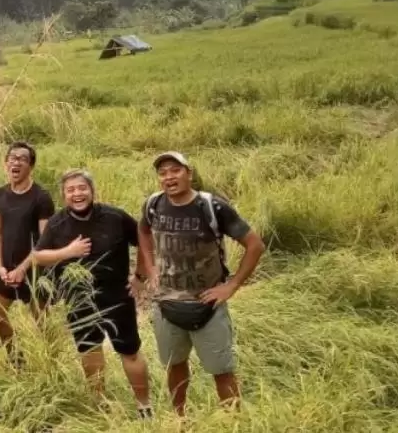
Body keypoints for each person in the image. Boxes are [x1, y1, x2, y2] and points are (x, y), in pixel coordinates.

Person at [137, 151, 265, 417]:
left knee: (222, 370)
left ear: (189, 173)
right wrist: (149, 269)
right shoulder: (153, 204)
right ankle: (180, 419)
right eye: (163, 173)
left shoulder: (212, 207)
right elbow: (144, 231)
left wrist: (231, 286)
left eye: (175, 170)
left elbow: (255, 245)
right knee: (175, 365)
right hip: (166, 303)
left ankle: (233, 421)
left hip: (207, 304)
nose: (169, 177)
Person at [33, 169, 152, 419]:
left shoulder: (114, 217)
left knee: (130, 351)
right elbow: (39, 256)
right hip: (78, 299)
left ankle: (144, 406)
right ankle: (100, 405)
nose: (77, 194)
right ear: (64, 195)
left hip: (117, 296)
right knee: (90, 350)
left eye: (81, 188)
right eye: (71, 190)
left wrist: (140, 276)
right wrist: (67, 252)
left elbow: (144, 240)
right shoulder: (57, 223)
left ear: (91, 190)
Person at [0, 141, 55, 349]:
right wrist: (0, 265)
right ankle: (16, 357)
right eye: (12, 158)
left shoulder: (41, 197)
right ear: (5, 163)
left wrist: (23, 268)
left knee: (41, 322)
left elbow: (46, 240)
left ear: (31, 166)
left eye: (22, 159)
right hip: (6, 268)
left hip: (36, 270)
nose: (16, 162)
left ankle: (49, 364)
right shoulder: (0, 194)